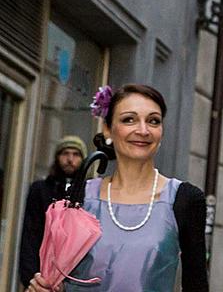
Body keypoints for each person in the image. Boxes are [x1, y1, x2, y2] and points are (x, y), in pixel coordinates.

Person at [26, 84, 208, 292]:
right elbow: (53, 275)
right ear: (107, 129)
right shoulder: (80, 197)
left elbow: (197, 284)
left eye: (153, 121)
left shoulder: (184, 199)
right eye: (128, 119)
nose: (143, 130)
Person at [18, 135, 87, 287]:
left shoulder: (90, 192)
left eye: (76, 154)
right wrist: (30, 278)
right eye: (65, 154)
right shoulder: (40, 190)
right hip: (42, 274)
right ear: (57, 158)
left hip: (77, 277)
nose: (70, 159)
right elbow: (30, 235)